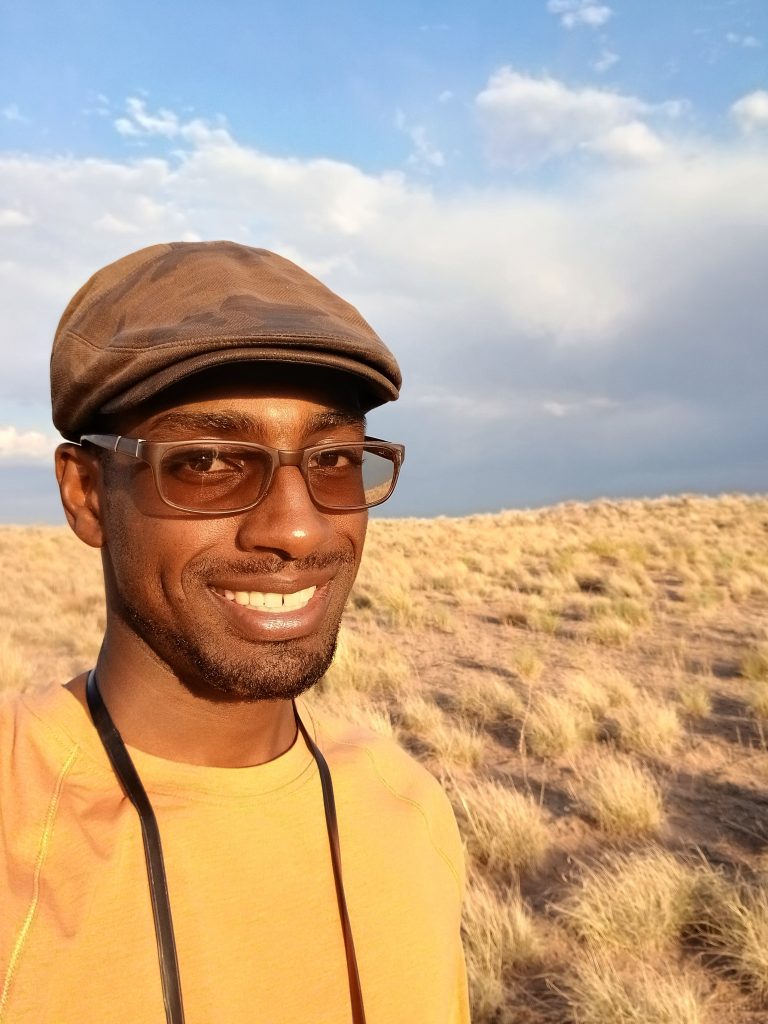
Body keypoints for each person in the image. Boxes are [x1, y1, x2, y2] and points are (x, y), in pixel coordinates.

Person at [0, 242, 470, 1023]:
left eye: (337, 458)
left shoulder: (406, 809)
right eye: (209, 461)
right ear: (85, 493)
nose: (295, 527)